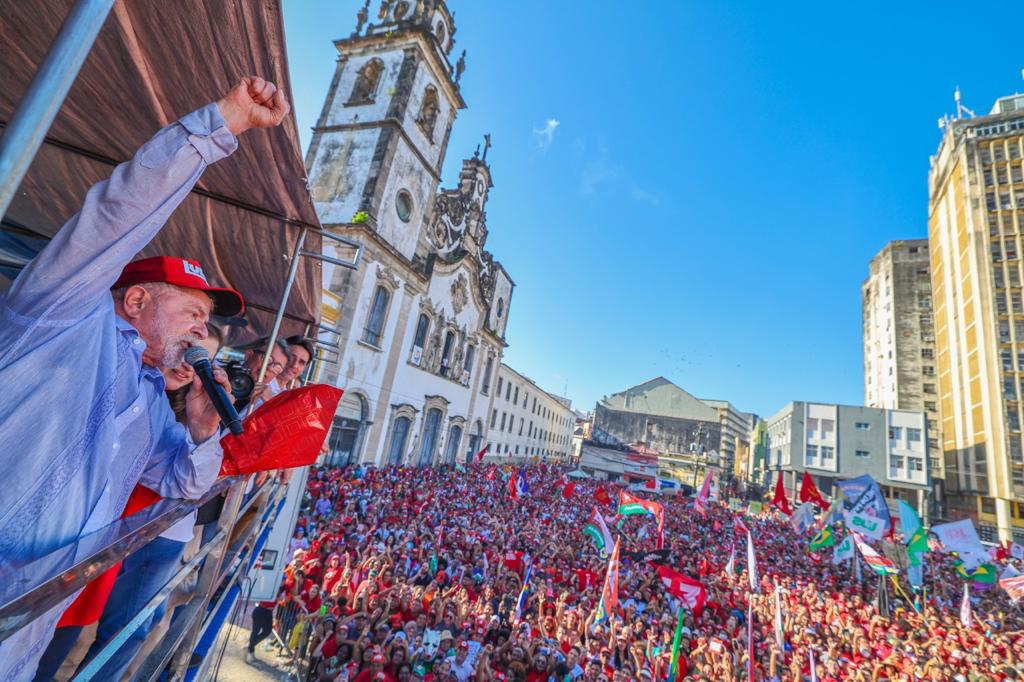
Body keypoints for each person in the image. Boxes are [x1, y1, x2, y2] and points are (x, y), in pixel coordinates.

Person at [0, 76, 290, 680]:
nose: (201, 331)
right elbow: (115, 215)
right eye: (194, 313)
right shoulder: (62, 315)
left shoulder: (154, 400)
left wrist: (206, 431)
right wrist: (220, 127)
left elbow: (182, 484)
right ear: (135, 300)